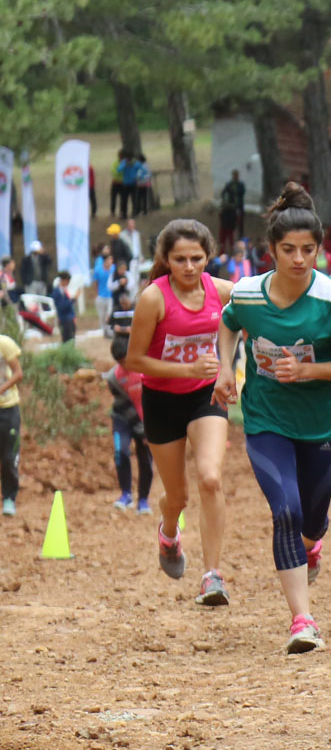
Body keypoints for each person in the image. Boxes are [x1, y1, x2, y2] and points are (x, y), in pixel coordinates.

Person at [214, 184, 331, 654]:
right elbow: (227, 323)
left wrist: (310, 371)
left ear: (319, 250)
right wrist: (225, 367)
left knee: (312, 519)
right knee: (285, 510)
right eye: (289, 250)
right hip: (265, 418)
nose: (299, 259)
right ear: (272, 251)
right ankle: (302, 619)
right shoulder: (248, 294)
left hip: (321, 423)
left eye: (308, 250)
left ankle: (313, 543)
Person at [126, 219, 234, 606]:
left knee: (210, 478)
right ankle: (168, 531)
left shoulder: (221, 291)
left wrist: (227, 367)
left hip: (205, 396)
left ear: (208, 256)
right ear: (166, 260)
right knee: (179, 495)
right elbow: (135, 359)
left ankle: (212, 575)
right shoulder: (154, 299)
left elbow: (245, 324)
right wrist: (186, 369)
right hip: (162, 401)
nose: (189, 267)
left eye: (197, 258)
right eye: (180, 259)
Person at [106, 343, 153, 513]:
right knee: (121, 451)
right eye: (121, 362)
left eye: (127, 360)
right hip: (123, 419)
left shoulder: (146, 370)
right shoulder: (113, 378)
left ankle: (143, 500)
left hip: (147, 418)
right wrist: (143, 432)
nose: (125, 365)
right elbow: (127, 407)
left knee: (145, 458)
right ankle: (126, 494)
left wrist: (150, 430)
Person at [0, 326, 19, 517]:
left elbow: (18, 373)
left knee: (8, 456)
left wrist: (1, 388)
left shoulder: (4, 344)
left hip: (7, 408)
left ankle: (9, 497)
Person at [219, 170, 247, 249]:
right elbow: (224, 192)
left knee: (240, 222)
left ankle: (240, 237)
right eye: (234, 175)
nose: (235, 177)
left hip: (239, 205)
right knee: (230, 226)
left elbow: (242, 193)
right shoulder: (229, 184)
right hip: (231, 208)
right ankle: (230, 243)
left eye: (237, 175)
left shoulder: (241, 184)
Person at [51, 272, 76, 343]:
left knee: (72, 337)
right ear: (64, 280)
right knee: (67, 338)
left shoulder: (66, 290)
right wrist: (73, 300)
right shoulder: (57, 292)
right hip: (64, 318)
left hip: (70, 317)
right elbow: (62, 306)